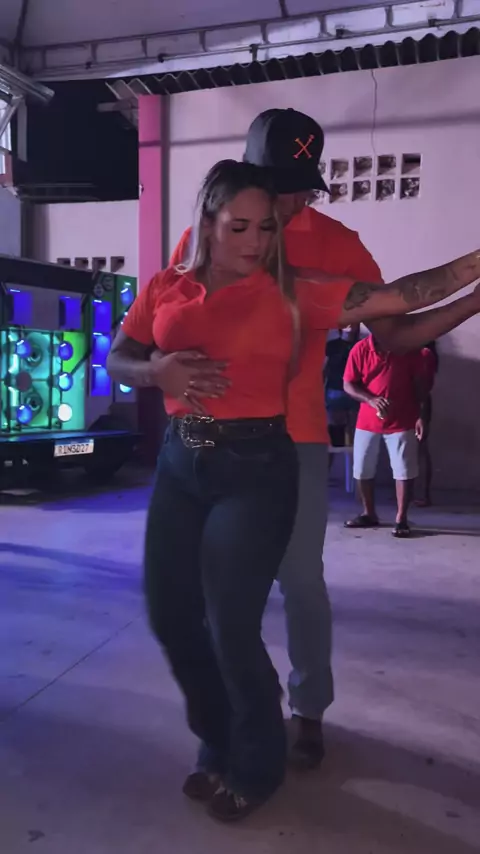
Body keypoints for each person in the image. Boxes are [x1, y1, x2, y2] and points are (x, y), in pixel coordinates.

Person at [107, 158, 480, 821]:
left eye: (267, 228)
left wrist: (477, 273)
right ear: (208, 222)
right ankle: (219, 739)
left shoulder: (295, 292)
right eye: (240, 227)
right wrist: (156, 370)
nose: (255, 241)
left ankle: (256, 766)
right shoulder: (166, 286)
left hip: (255, 469)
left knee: (231, 625)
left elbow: (407, 296)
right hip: (180, 462)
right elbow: (118, 357)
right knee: (171, 616)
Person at [343, 336, 437, 537]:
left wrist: (422, 417)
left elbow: (421, 389)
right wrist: (371, 400)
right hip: (367, 421)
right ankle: (368, 513)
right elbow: (348, 384)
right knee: (362, 468)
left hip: (403, 419)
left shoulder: (409, 349)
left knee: (404, 470)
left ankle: (401, 519)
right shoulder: (361, 349)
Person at [324, 325, 360, 450]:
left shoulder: (361, 345)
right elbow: (323, 369)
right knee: (336, 432)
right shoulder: (332, 346)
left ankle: (356, 457)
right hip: (335, 391)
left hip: (357, 392)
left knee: (357, 431)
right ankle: (336, 456)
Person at [415, 340, 439, 507]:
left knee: (421, 446)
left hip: (419, 402)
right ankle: (412, 492)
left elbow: (424, 386)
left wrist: (421, 415)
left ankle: (424, 495)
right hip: (411, 400)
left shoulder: (424, 354)